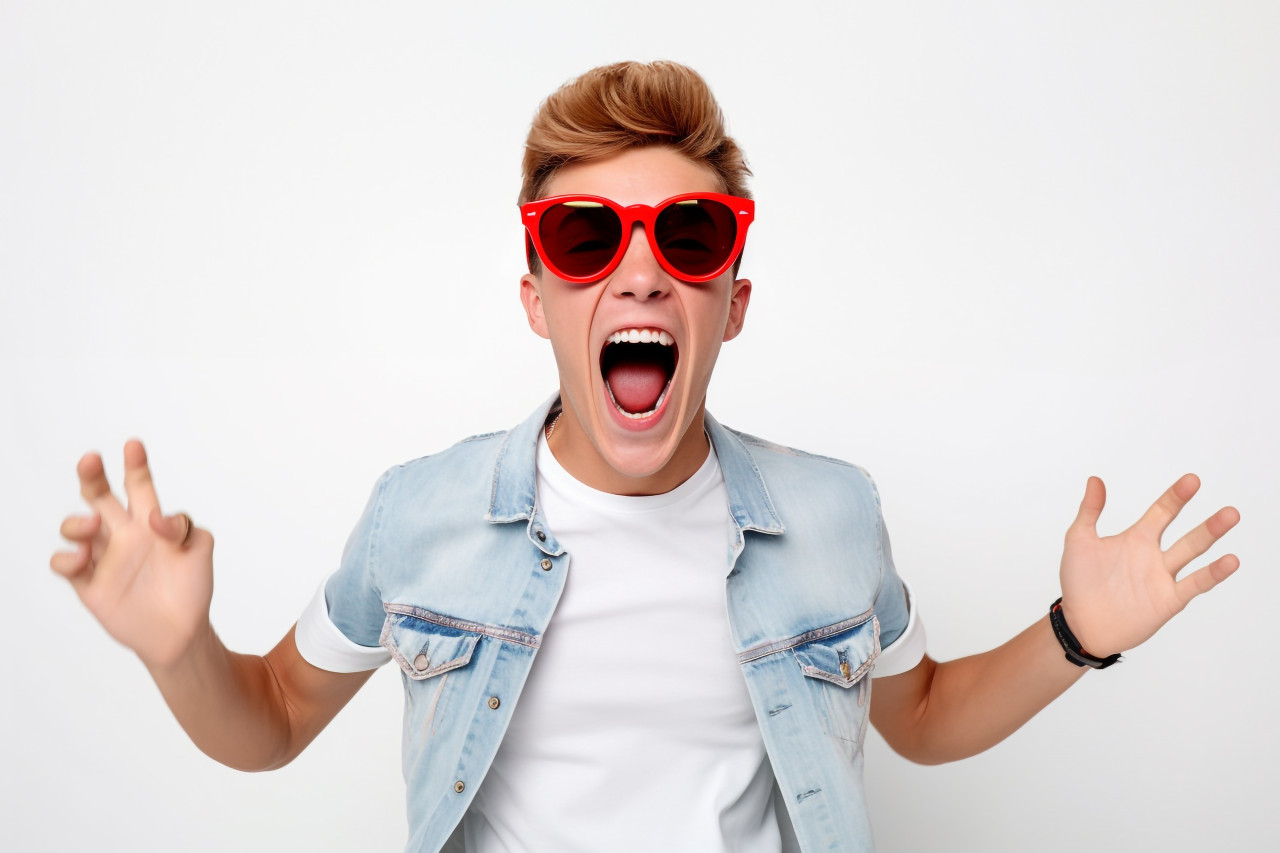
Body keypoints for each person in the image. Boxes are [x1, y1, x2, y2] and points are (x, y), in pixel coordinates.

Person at [50, 61, 1240, 853]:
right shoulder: (421, 515)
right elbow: (266, 719)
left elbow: (920, 715)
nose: (637, 270)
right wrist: (180, 653)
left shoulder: (831, 514)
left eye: (687, 235)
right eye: (583, 239)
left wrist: (1078, 633)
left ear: (730, 300)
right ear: (534, 299)